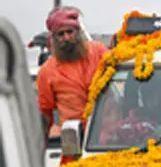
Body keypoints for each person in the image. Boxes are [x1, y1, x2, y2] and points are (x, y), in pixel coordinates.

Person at [36, 8, 108, 137]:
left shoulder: (98, 52)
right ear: (54, 38)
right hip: (74, 142)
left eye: (70, 32)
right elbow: (45, 111)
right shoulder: (47, 71)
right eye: (61, 34)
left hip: (111, 137)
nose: (66, 37)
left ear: (78, 32)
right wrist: (49, 133)